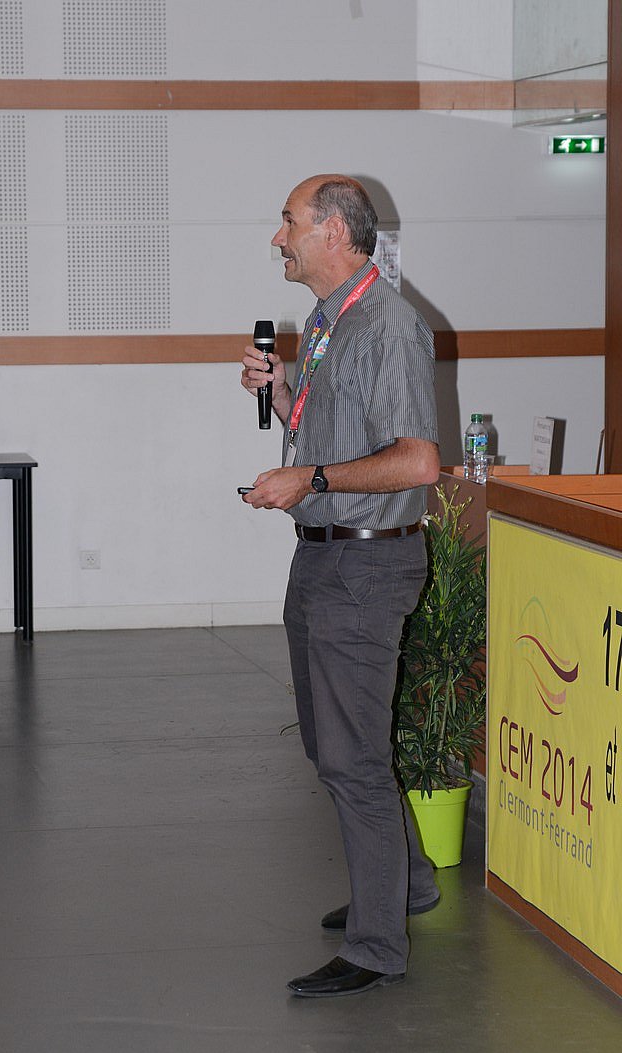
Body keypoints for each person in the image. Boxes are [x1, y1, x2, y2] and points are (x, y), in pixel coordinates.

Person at [240, 174, 441, 998]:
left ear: (332, 231)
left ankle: (377, 946)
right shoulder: (329, 320)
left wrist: (311, 478)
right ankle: (410, 883)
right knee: (329, 745)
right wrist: (282, 393)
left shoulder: (387, 325)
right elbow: (329, 432)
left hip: (366, 565)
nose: (277, 238)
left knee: (353, 759)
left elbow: (417, 462)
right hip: (323, 557)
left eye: (288, 222)